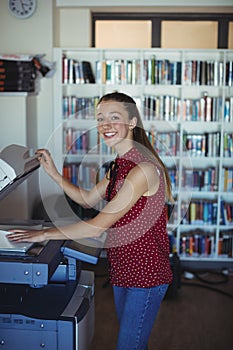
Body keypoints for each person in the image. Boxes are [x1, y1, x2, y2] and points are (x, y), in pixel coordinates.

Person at [8, 91, 173, 350]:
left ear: (132, 122)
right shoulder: (118, 165)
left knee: (129, 346)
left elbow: (98, 224)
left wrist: (44, 234)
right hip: (123, 267)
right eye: (100, 118)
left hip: (147, 273)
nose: (105, 125)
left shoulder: (143, 169)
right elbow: (87, 199)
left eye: (114, 117)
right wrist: (52, 173)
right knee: (135, 342)